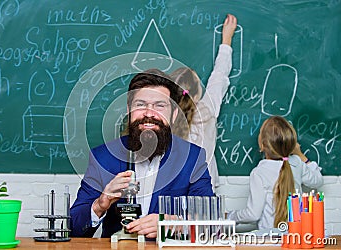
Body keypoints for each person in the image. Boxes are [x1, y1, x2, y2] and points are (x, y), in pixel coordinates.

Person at [70, 69, 214, 239]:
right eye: (140, 104)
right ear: (129, 110)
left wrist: (176, 224)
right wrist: (99, 205)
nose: (149, 113)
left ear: (174, 114)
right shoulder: (103, 157)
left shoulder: (192, 157)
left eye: (160, 105)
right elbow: (74, 229)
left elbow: (210, 222)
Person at [170, 14, 237, 190]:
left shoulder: (164, 117)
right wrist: (227, 39)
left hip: (174, 188)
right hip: (206, 187)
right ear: (197, 95)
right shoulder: (207, 110)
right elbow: (219, 75)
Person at [227, 116, 323, 230]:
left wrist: (231, 216)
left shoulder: (259, 173)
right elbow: (318, 180)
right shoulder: (297, 163)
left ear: (262, 145)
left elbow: (253, 214)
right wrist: (300, 154)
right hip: (295, 237)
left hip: (269, 239)